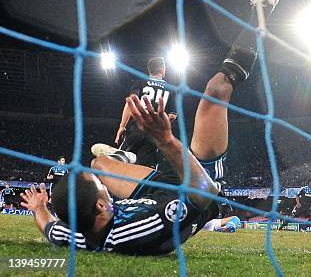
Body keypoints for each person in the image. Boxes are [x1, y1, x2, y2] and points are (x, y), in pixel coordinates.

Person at [91, 0, 279, 190]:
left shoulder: (136, 211)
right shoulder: (169, 87)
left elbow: (128, 111)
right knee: (216, 91)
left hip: (169, 181)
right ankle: (126, 157)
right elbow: (169, 114)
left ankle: (126, 157)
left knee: (99, 163)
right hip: (199, 184)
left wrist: (123, 133)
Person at [20, 95, 219, 255]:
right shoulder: (144, 226)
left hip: (153, 194)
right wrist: (165, 139)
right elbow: (206, 193)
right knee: (213, 96)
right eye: (100, 185)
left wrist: (39, 207)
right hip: (192, 190)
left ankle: (121, 158)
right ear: (99, 204)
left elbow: (49, 227)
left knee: (98, 164)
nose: (105, 185)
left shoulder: (76, 232)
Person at [93, 57, 177, 169]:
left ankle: (122, 160)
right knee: (144, 169)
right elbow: (172, 115)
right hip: (154, 134)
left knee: (119, 165)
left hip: (136, 128)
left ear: (149, 70)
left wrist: (122, 126)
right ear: (163, 69)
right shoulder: (171, 89)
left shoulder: (141, 83)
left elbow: (130, 103)